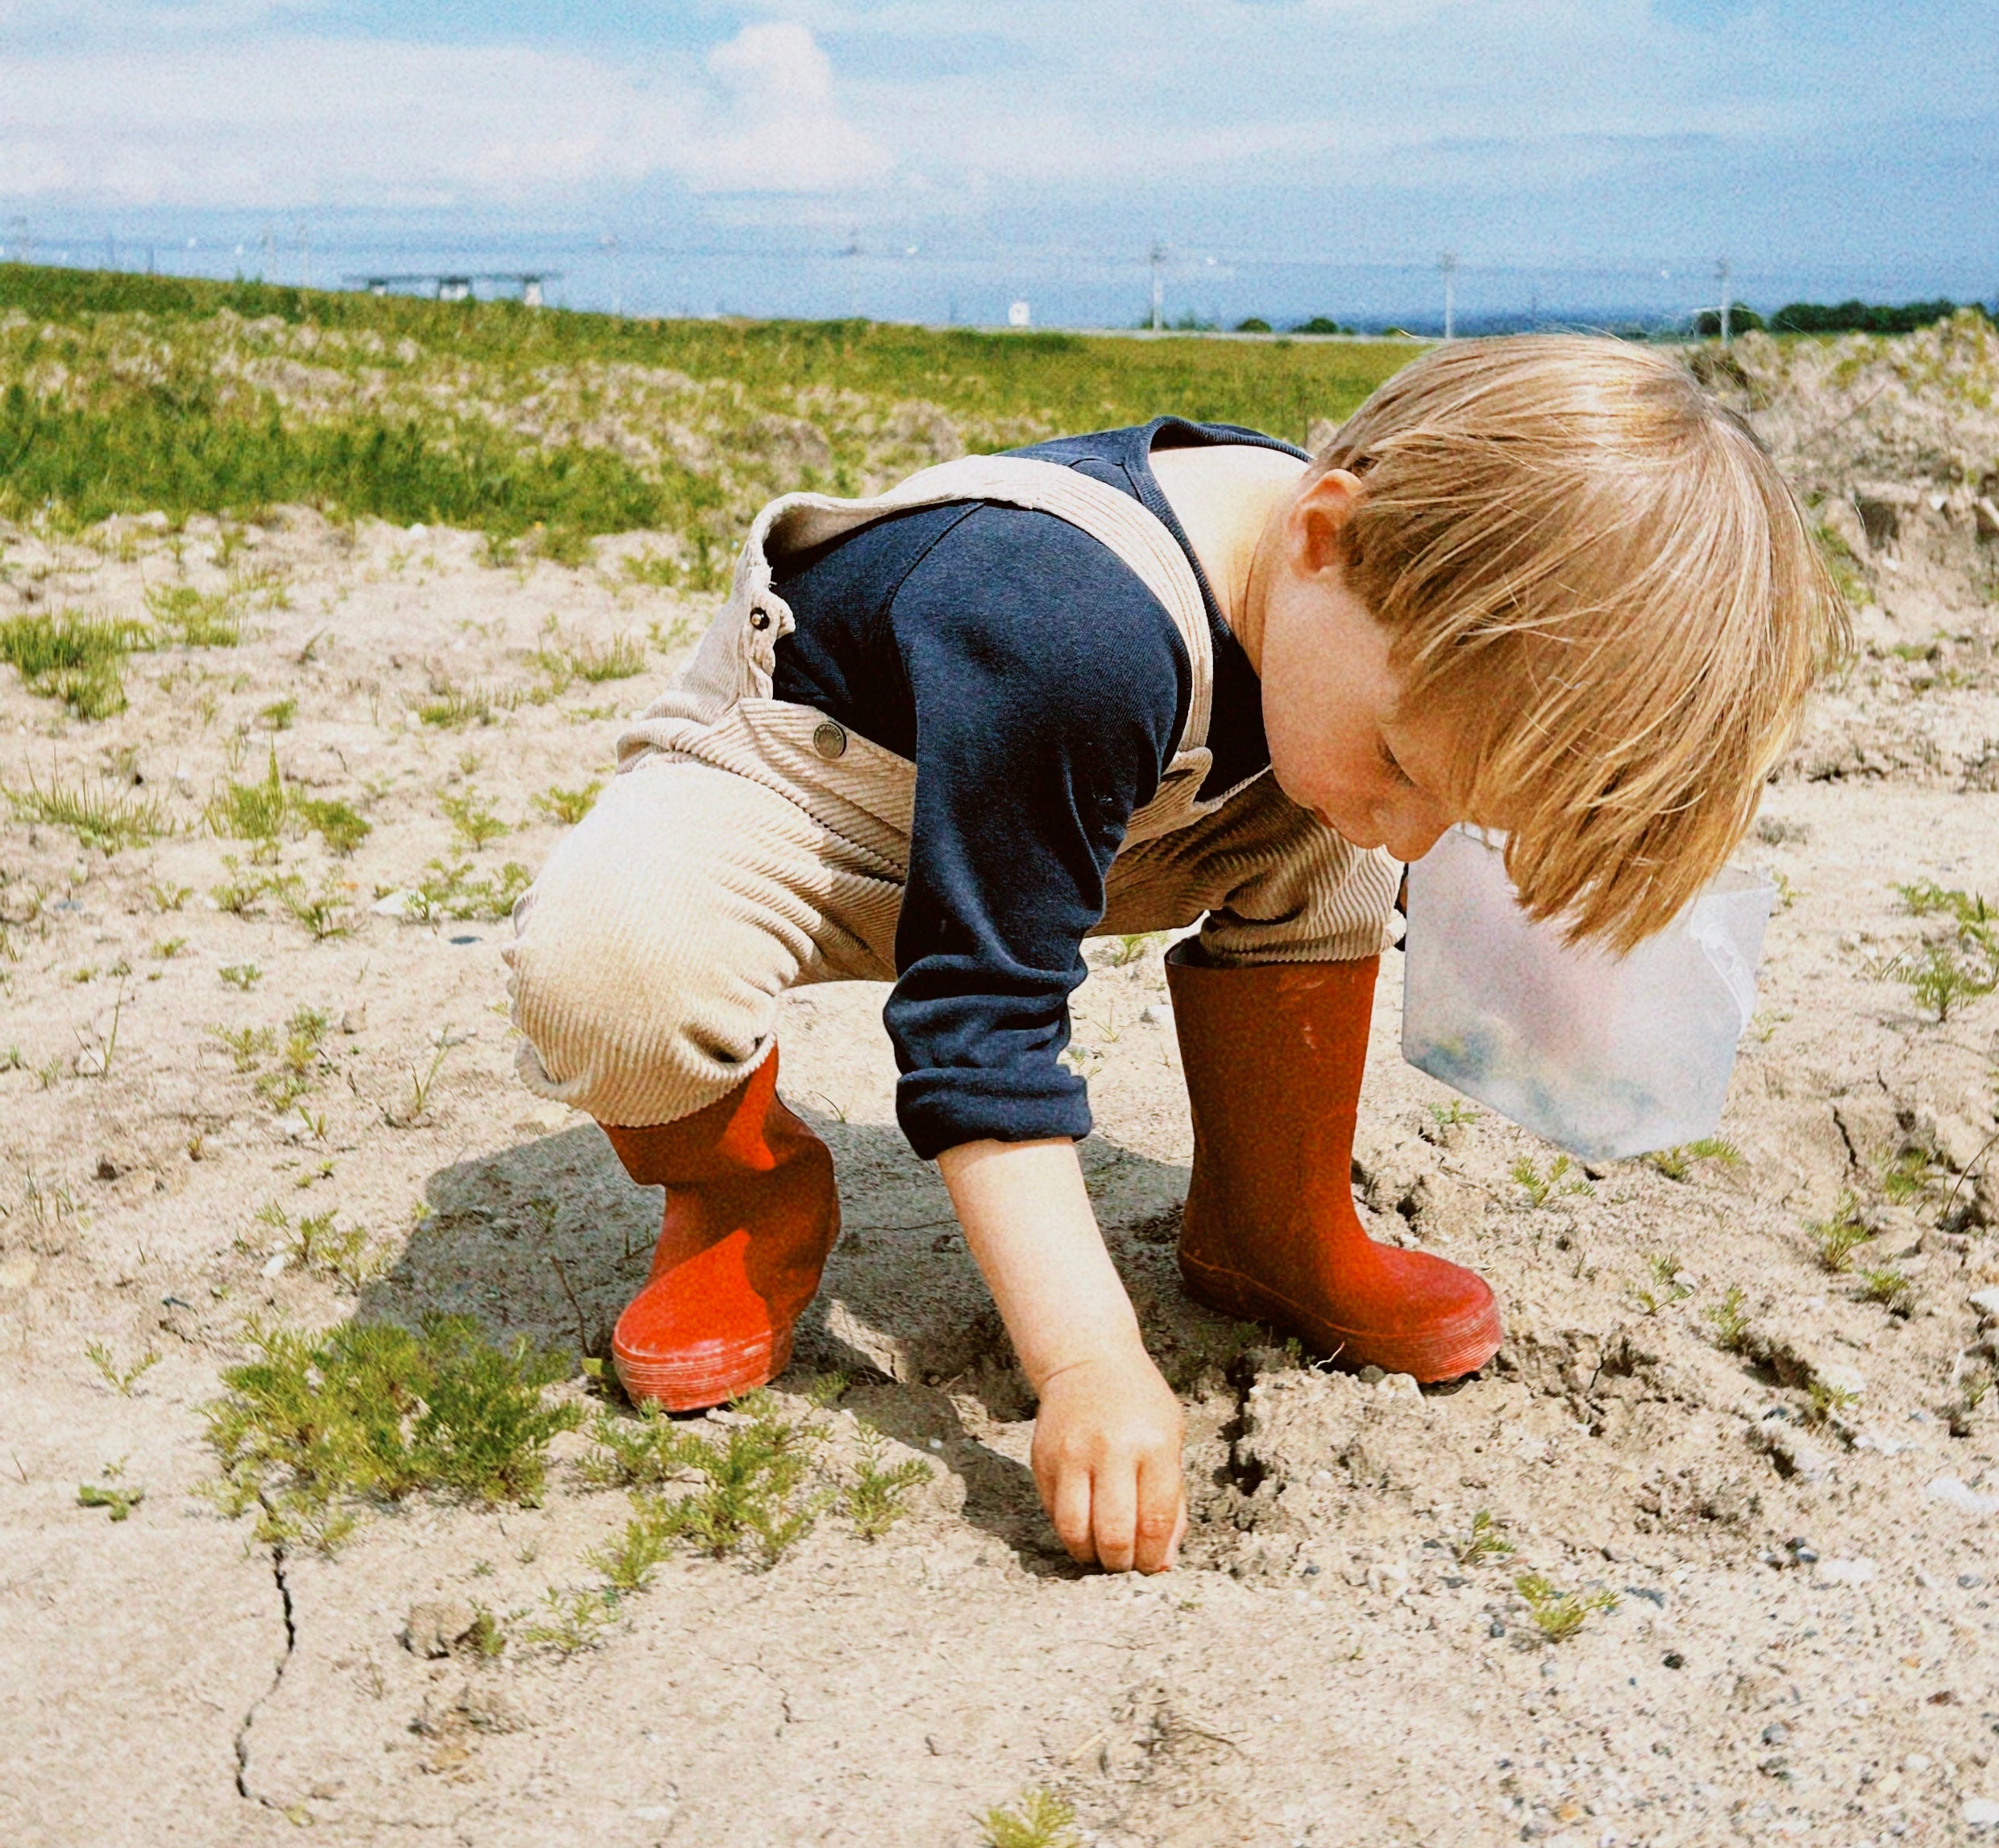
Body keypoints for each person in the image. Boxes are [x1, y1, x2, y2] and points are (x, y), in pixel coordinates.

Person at [508, 336, 1847, 1576]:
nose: (1415, 831)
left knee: (1336, 823)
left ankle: (1272, 1220)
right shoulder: (1069, 625)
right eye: (1405, 763)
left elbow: (1401, 795)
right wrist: (1087, 1362)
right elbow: (979, 1019)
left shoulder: (1350, 610)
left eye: (1459, 806)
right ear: (1324, 536)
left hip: (1105, 804)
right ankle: (742, 1197)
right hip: (818, 805)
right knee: (608, 968)